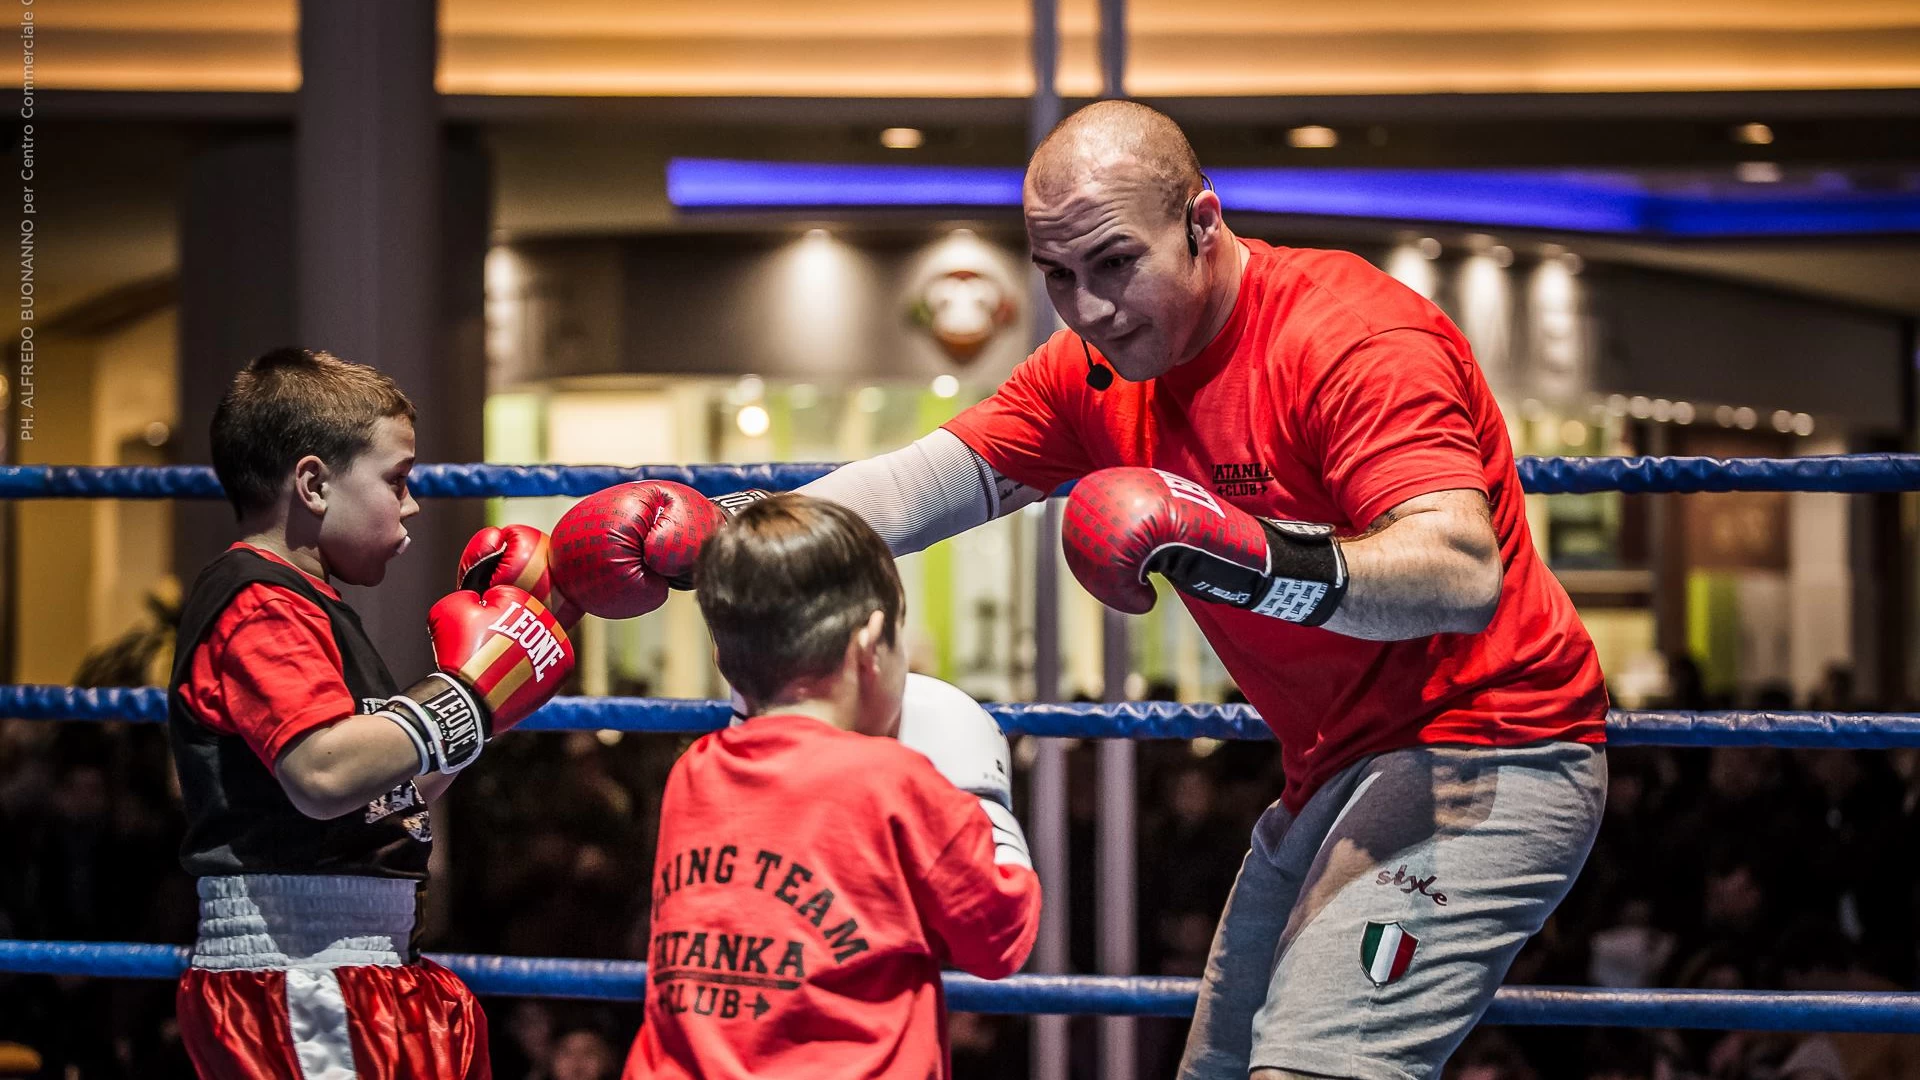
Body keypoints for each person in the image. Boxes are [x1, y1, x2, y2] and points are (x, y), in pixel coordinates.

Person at [555, 98, 1608, 1080]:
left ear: (1204, 221)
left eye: (1114, 262)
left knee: (1310, 1067)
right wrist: (726, 538)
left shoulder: (1350, 340)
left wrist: (1242, 553)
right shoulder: (1095, 372)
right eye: (1057, 273)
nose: (1091, 308)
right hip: (1334, 766)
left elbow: (1462, 574)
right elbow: (926, 485)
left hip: (1491, 745)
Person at [169, 348, 577, 1079]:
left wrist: (493, 702)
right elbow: (323, 773)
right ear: (315, 483)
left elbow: (382, 795)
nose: (412, 502)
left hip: (358, 963)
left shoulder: (315, 611)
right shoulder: (255, 601)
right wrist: (466, 694)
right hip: (300, 973)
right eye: (397, 479)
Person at [621, 494, 1040, 1080]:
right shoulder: (895, 782)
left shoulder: (693, 773)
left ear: (723, 657)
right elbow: (999, 938)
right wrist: (986, 806)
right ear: (873, 645)